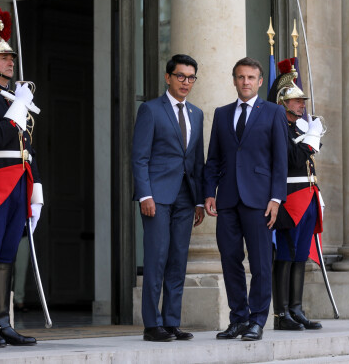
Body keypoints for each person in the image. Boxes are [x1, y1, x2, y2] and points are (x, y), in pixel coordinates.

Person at [204, 57, 288, 341]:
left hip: (260, 200)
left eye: (251, 78)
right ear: (234, 80)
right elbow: (213, 158)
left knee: (261, 262)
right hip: (227, 199)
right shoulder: (222, 113)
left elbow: (280, 161)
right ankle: (238, 319)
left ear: (260, 81)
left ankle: (257, 320)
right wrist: (208, 193)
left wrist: (276, 198)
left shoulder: (274, 112)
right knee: (230, 260)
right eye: (241, 77)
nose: (246, 82)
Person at [0, 9, 42, 347]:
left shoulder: (15, 97)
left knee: (7, 253)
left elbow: (28, 146)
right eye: (2, 56)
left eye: (10, 56)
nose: (9, 61)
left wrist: (38, 191)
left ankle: (3, 323)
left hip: (19, 183)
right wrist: (19, 106)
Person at [132, 54, 205, 342]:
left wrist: (199, 200)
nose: (186, 82)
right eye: (180, 76)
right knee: (157, 259)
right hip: (157, 198)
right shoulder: (150, 110)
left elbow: (198, 160)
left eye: (191, 77)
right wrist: (144, 194)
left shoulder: (197, 114)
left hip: (186, 198)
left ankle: (172, 321)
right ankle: (153, 324)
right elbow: (139, 158)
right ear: (168, 77)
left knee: (178, 260)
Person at [268, 63, 323, 331]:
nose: (302, 105)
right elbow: (291, 159)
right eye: (296, 100)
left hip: (308, 195)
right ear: (282, 101)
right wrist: (311, 140)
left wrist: (309, 136)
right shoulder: (279, 127)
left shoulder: (299, 128)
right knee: (286, 254)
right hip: (291, 198)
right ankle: (281, 315)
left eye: (302, 101)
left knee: (300, 254)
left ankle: (296, 308)